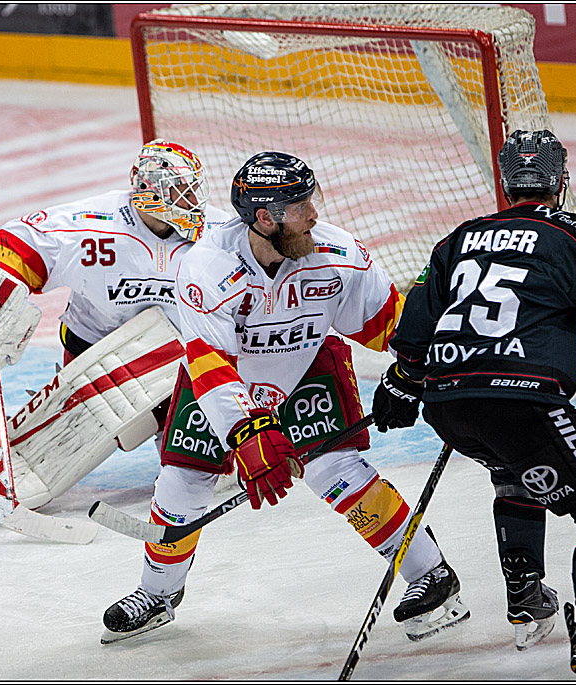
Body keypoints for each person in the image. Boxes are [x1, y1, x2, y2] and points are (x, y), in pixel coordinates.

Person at [101, 151, 470, 645]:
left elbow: (392, 326)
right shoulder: (206, 266)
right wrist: (249, 432)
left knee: (335, 472)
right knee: (182, 479)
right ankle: (158, 594)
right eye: (299, 206)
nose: (314, 213)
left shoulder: (338, 255)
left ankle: (432, 574)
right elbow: (211, 362)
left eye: (311, 200)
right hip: (224, 377)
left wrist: (439, 365)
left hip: (306, 365)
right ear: (263, 217)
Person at [373, 129, 576, 680]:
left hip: (448, 404)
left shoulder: (456, 239)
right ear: (559, 180)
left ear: (507, 183)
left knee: (515, 472)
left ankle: (528, 598)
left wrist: (401, 382)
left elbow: (413, 327)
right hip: (522, 400)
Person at [0, 139, 230, 514]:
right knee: (80, 433)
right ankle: (5, 467)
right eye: (178, 192)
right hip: (96, 349)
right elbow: (17, 242)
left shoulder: (219, 233)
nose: (190, 202)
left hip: (181, 356)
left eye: (192, 190)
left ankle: (185, 437)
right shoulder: (92, 224)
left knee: (205, 468)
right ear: (148, 191)